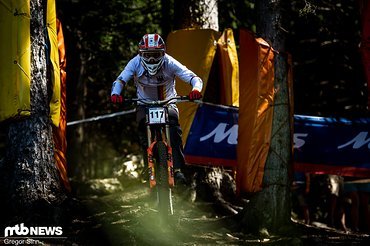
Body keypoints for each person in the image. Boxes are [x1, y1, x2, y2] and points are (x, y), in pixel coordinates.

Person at [110, 33, 203, 186]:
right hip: (143, 103)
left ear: (163, 53)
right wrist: (115, 94)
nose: (152, 59)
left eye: (156, 54)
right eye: (148, 55)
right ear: (141, 55)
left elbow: (193, 78)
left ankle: (178, 169)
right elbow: (121, 79)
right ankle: (147, 165)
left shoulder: (169, 62)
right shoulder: (135, 63)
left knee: (174, 130)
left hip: (168, 102)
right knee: (142, 129)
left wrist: (195, 90)